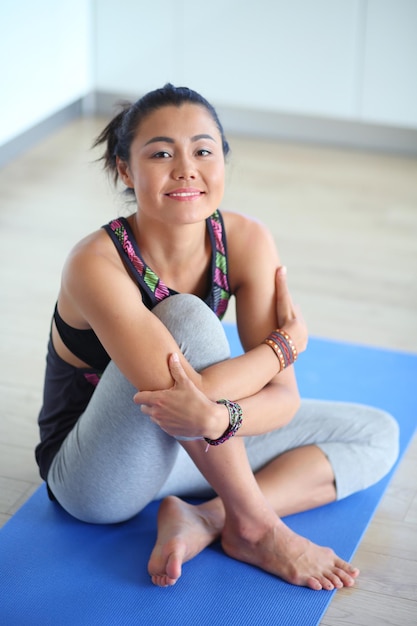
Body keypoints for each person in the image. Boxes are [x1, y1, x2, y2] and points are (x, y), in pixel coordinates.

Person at [36, 83, 399, 591]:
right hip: (99, 479)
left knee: (375, 433)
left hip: (196, 445)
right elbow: (181, 394)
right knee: (185, 318)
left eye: (203, 151)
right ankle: (255, 524)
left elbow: (282, 402)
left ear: (222, 162)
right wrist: (283, 348)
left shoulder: (246, 240)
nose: (186, 168)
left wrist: (218, 418)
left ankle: (207, 519)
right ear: (125, 169)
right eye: (161, 153)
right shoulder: (94, 263)